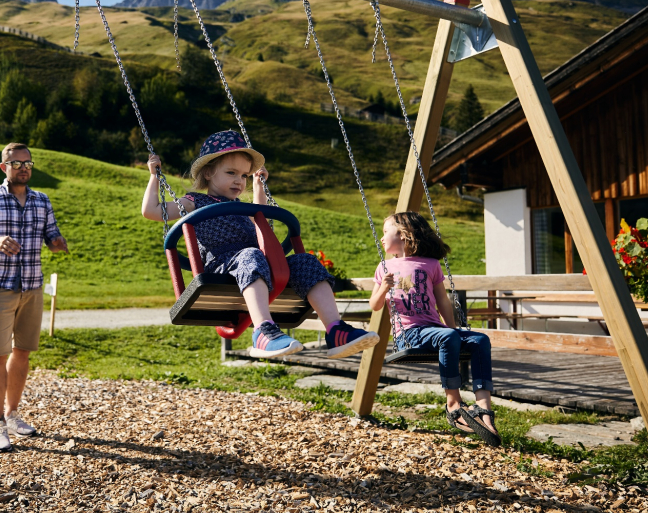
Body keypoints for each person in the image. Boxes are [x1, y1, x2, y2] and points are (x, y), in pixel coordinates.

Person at [141, 130, 379, 359]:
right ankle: (263, 332)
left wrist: (258, 188)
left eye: (244, 176)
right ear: (209, 172)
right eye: (232, 173)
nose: (239, 181)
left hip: (256, 263)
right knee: (251, 255)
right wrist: (154, 176)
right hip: (222, 267)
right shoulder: (195, 201)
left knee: (306, 261)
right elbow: (151, 211)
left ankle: (336, 330)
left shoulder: (242, 208)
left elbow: (261, 221)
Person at [0, 142, 69, 453]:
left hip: (32, 286)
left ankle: (11, 415)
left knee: (22, 352)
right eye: (16, 163)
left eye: (28, 163)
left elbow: (51, 235)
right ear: (4, 167)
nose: (23, 168)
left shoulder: (41, 200)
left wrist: (57, 242)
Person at [369, 211, 500, 446]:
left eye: (385, 231)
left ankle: (483, 408)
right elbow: (375, 305)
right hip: (408, 334)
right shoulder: (385, 267)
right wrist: (383, 288)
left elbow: (443, 301)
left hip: (434, 330)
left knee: (480, 340)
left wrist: (454, 331)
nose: (381, 237)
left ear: (403, 235)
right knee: (447, 337)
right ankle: (453, 404)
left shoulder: (430, 264)